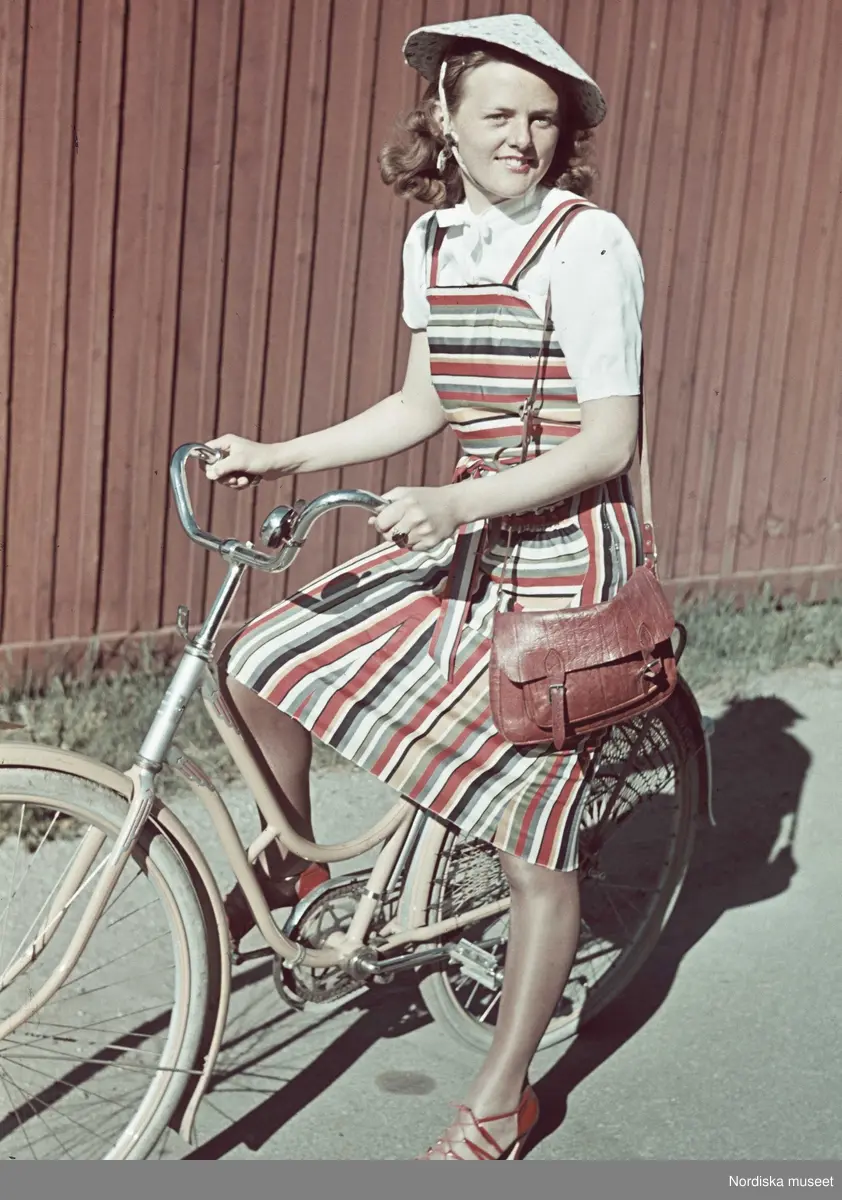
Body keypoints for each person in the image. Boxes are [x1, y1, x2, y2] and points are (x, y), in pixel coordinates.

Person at [203, 13, 645, 1161]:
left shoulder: (587, 246)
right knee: (260, 662)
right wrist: (281, 455)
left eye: (541, 118)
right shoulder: (436, 240)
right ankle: (296, 852)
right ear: (443, 119)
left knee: (531, 843)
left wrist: (456, 504)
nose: (521, 138)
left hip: (560, 561)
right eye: (496, 114)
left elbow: (606, 442)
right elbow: (424, 403)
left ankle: (505, 1094)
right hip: (469, 534)